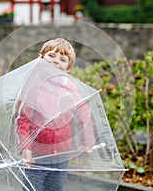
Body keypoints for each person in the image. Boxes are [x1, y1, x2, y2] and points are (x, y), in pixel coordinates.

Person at [16, 38, 95, 191]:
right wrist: (25, 147)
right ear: (40, 59)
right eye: (51, 56)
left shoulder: (69, 87)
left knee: (55, 187)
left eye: (62, 59)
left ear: (68, 68)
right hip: (37, 155)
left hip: (61, 153)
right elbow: (22, 121)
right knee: (32, 188)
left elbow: (83, 112)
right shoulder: (32, 87)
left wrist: (88, 139)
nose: (56, 61)